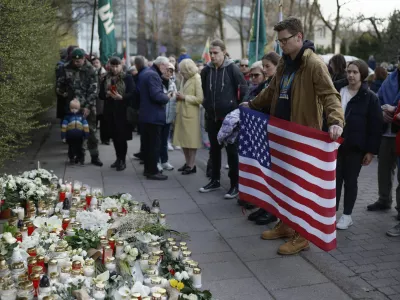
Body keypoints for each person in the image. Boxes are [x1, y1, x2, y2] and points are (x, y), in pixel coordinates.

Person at [243, 17, 344, 255]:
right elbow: (270, 93)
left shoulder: (313, 64)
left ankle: (302, 236)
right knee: (284, 185)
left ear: (299, 37)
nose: (281, 46)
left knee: (300, 187)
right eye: (279, 42)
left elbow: (330, 96)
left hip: (303, 139)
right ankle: (286, 225)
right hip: (282, 137)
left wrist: (337, 121)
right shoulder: (284, 64)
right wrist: (252, 105)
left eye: (285, 41)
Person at [335, 60, 383, 229]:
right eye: (348, 71)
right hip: (334, 144)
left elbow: (375, 126)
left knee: (350, 181)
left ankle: (347, 215)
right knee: (334, 181)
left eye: (355, 72)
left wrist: (370, 151)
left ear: (362, 75)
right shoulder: (337, 90)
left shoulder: (370, 98)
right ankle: (330, 213)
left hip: (355, 147)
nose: (350, 75)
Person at [199, 39, 247, 199]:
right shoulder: (206, 71)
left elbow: (242, 91)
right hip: (212, 117)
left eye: (215, 53)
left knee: (232, 153)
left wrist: (237, 114)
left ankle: (235, 185)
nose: (212, 56)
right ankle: (215, 180)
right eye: (211, 53)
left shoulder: (233, 69)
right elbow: (205, 91)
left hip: (229, 119)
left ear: (224, 52)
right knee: (214, 151)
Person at [243, 55, 281, 225]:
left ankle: (272, 211)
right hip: (264, 131)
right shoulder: (268, 83)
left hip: (274, 131)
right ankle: (265, 206)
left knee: (273, 174)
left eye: (268, 66)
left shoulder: (279, 83)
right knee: (265, 171)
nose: (264, 70)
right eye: (263, 66)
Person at [56, 48, 103, 166]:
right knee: (73, 131)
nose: (76, 62)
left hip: (88, 105)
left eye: (79, 60)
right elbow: (59, 86)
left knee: (91, 131)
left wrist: (87, 106)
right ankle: (76, 156)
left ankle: (94, 156)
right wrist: (64, 93)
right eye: (74, 60)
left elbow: (94, 90)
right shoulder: (65, 68)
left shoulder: (90, 69)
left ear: (84, 59)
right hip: (72, 106)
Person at [367, 57, 400, 220]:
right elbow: (377, 100)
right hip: (387, 133)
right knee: (384, 169)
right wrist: (381, 112)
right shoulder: (390, 79)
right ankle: (384, 199)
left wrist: (395, 110)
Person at [138, 56, 172, 180]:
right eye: (167, 66)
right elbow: (156, 96)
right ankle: (152, 171)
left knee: (148, 145)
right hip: (153, 115)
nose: (167, 69)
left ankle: (148, 169)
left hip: (146, 115)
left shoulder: (147, 72)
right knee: (154, 145)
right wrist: (167, 97)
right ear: (161, 65)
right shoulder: (153, 75)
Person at [99, 57, 135, 171]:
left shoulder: (127, 77)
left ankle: (122, 160)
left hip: (122, 111)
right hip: (110, 111)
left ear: (121, 65)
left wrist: (122, 97)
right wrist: (107, 94)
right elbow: (100, 95)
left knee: (121, 137)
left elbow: (133, 93)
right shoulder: (106, 77)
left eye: (117, 66)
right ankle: (117, 158)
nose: (114, 69)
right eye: (112, 66)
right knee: (114, 136)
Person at [173, 59, 204, 175]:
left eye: (182, 70)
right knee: (184, 141)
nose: (181, 73)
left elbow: (200, 99)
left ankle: (192, 165)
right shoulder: (184, 78)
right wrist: (178, 96)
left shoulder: (196, 78)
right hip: (181, 113)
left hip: (191, 115)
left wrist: (184, 97)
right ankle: (187, 163)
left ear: (188, 69)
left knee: (191, 142)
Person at [158, 62, 177, 172]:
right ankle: (157, 161)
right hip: (159, 116)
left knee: (164, 141)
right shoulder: (158, 82)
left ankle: (164, 161)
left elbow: (173, 99)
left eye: (170, 71)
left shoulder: (172, 83)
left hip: (169, 116)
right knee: (157, 141)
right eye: (166, 70)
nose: (168, 73)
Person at [61, 99, 89, 165]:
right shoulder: (67, 117)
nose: (74, 110)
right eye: (72, 108)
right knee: (71, 148)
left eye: (76, 108)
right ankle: (72, 158)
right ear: (70, 108)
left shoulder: (81, 117)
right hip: (70, 136)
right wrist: (63, 136)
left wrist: (86, 135)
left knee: (79, 148)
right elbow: (64, 127)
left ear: (79, 109)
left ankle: (80, 158)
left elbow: (85, 126)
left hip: (79, 136)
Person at [90, 56, 109, 145]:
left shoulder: (105, 74)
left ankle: (105, 139)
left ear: (100, 64)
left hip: (103, 101)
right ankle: (93, 140)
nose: (95, 64)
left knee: (104, 122)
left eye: (97, 62)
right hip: (93, 101)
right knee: (93, 122)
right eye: (94, 63)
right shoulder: (90, 73)